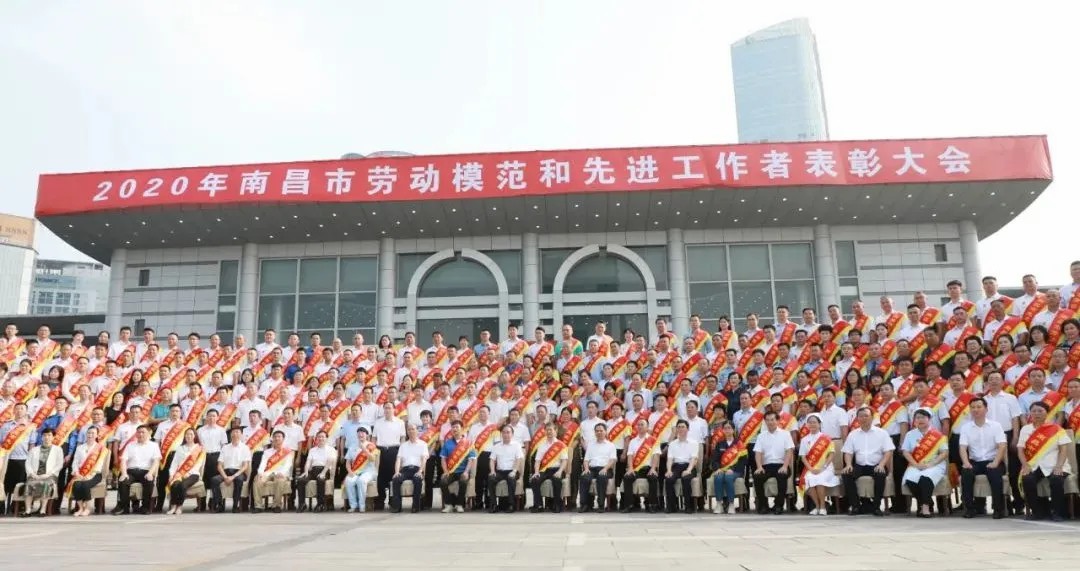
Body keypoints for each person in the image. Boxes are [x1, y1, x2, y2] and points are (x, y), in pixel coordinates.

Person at [1017, 401, 1072, 521]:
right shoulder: (1025, 429)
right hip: (1034, 465)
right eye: (1034, 411)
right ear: (1030, 413)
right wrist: (1025, 465)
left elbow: (1063, 449)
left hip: (1055, 464)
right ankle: (1037, 512)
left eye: (1040, 411)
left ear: (1047, 413)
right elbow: (1020, 450)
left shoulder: (1056, 428)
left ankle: (1058, 512)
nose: (1037, 413)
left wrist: (1059, 466)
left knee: (1056, 480)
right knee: (1027, 479)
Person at [958, 397, 1007, 519]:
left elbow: (1002, 446)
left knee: (995, 474)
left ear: (986, 409)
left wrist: (995, 462)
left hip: (993, 460)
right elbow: (962, 447)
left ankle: (998, 509)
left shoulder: (996, 426)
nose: (976, 410)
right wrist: (966, 463)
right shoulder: (965, 427)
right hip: (975, 462)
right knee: (966, 473)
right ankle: (969, 509)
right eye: (973, 407)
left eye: (979, 407)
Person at [841, 407, 895, 516]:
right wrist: (848, 464)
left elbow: (888, 451)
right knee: (846, 474)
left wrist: (881, 465)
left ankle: (876, 507)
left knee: (880, 474)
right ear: (857, 418)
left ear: (872, 417)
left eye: (866, 416)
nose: (863, 418)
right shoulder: (853, 434)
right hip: (860, 466)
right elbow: (848, 452)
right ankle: (855, 506)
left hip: (877, 465)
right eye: (861, 416)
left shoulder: (882, 433)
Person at [900, 409, 949, 518]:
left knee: (925, 478)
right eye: (917, 417)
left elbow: (944, 453)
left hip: (934, 464)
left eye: (923, 417)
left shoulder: (937, 435)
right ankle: (927, 502)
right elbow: (905, 452)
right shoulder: (910, 434)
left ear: (929, 419)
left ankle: (925, 508)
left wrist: (931, 464)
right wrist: (915, 464)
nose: (920, 420)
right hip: (916, 463)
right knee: (909, 479)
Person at [113, 425, 162, 515]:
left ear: (148, 434)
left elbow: (156, 461)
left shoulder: (154, 446)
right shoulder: (130, 445)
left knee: (149, 481)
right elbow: (123, 460)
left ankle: (145, 507)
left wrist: (150, 473)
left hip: (146, 471)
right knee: (123, 481)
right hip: (131, 471)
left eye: (143, 432)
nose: (140, 434)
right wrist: (124, 473)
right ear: (136, 434)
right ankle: (124, 507)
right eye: (139, 432)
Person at [752, 411, 795, 515]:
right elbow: (758, 453)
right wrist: (759, 467)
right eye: (767, 420)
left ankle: (778, 505)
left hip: (781, 465)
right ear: (765, 422)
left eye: (772, 420)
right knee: (757, 477)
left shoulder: (785, 434)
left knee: (782, 476)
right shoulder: (761, 436)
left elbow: (789, 451)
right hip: (766, 466)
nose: (770, 422)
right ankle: (763, 505)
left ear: (778, 421)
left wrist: (785, 466)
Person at [799, 413, 839, 516]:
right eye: (810, 422)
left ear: (820, 424)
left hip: (826, 468)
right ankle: (817, 506)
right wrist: (811, 469)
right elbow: (803, 457)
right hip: (811, 468)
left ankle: (822, 507)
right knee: (809, 478)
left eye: (814, 422)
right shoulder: (804, 439)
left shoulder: (826, 438)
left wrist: (823, 467)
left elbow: (831, 454)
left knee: (820, 479)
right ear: (807, 425)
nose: (812, 424)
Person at [21, 428, 64, 517]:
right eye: (44, 435)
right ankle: (28, 510)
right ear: (41, 437)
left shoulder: (58, 449)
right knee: (29, 484)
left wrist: (48, 474)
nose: (46, 437)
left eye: (49, 435)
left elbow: (59, 464)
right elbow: (28, 463)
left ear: (53, 437)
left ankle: (42, 510)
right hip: (34, 475)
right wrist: (32, 474)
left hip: (50, 476)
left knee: (46, 484)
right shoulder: (34, 450)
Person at [621, 418, 660, 513]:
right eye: (638, 425)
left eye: (642, 424)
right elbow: (630, 456)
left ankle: (652, 504)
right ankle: (629, 504)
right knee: (627, 478)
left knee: (653, 478)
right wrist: (630, 468)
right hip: (636, 469)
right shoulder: (633, 441)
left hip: (649, 468)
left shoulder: (653, 440)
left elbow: (656, 456)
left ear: (647, 427)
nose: (640, 426)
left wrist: (653, 468)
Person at [211, 427, 251, 513]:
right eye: (233, 432)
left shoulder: (245, 448)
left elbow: (245, 466)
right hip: (226, 472)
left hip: (239, 472)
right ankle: (220, 505)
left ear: (241, 435)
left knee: (239, 480)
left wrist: (233, 477)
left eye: (237, 432)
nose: (235, 434)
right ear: (230, 435)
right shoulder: (225, 448)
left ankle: (235, 506)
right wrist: (225, 477)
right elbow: (219, 466)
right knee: (214, 480)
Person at [578, 423, 617, 513]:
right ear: (595, 433)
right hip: (592, 469)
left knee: (602, 477)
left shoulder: (610, 445)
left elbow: (613, 460)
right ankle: (584, 505)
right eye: (597, 431)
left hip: (605, 468)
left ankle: (601, 505)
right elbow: (586, 460)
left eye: (601, 431)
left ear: (605, 432)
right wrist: (586, 469)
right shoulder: (591, 445)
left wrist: (605, 468)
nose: (599, 432)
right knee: (584, 477)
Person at [390, 424, 429, 513]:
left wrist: (420, 471)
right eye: (409, 430)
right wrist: (396, 472)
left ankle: (415, 506)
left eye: (413, 429)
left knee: (417, 479)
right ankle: (397, 507)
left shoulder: (423, 444)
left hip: (417, 469)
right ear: (407, 432)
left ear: (417, 431)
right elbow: (398, 460)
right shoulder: (403, 445)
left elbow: (424, 459)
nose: (411, 431)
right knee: (396, 479)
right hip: (405, 470)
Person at [70, 425, 107, 517]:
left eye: (93, 433)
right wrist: (76, 472)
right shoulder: (80, 448)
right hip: (81, 473)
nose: (90, 435)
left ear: (97, 435)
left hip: (95, 474)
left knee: (85, 485)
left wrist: (90, 475)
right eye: (89, 433)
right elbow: (75, 462)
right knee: (76, 484)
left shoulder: (101, 448)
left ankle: (87, 508)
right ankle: (80, 508)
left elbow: (100, 464)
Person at [253, 431, 294, 513]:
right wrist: (260, 473)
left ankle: (276, 505)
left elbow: (288, 464)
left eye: (279, 436)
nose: (277, 438)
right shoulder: (267, 452)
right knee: (257, 480)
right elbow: (263, 464)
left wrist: (282, 473)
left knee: (280, 481)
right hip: (268, 473)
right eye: (275, 437)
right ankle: (258, 506)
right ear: (272, 439)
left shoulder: (288, 452)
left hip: (281, 473)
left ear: (283, 439)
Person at [439, 420, 476, 513]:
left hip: (463, 471)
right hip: (451, 472)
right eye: (453, 427)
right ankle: (448, 505)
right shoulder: (447, 443)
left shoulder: (468, 443)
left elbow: (471, 459)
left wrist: (466, 472)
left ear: (462, 429)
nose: (454, 429)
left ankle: (459, 505)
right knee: (443, 481)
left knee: (463, 481)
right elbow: (443, 459)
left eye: (457, 427)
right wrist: (445, 471)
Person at [166, 428, 205, 515]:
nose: (189, 436)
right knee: (174, 484)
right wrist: (171, 475)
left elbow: (198, 464)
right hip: (179, 473)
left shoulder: (199, 448)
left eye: (191, 434)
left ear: (194, 436)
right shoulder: (180, 448)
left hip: (193, 474)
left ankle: (179, 506)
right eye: (187, 434)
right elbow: (174, 463)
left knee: (183, 485)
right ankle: (173, 507)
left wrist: (188, 473)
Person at [530, 423, 568, 513]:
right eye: (547, 430)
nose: (549, 432)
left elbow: (564, 461)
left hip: (557, 469)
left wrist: (560, 471)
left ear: (555, 431)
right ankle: (539, 505)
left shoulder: (561, 445)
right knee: (534, 480)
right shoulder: (541, 445)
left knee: (557, 480)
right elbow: (537, 461)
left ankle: (557, 505)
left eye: (551, 430)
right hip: (545, 470)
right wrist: (536, 472)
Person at [487, 424, 525, 513]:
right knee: (491, 478)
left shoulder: (517, 445)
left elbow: (519, 459)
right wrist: (492, 471)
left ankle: (511, 505)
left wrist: (514, 471)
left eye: (508, 432)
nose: (506, 434)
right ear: (501, 434)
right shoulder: (496, 446)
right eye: (503, 432)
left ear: (512, 434)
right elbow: (492, 460)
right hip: (500, 471)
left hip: (512, 470)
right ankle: (493, 505)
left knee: (511, 478)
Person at [297, 431, 336, 512]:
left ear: (326, 438)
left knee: (320, 480)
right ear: (316, 439)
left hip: (325, 470)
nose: (321, 438)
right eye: (319, 437)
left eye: (323, 437)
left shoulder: (331, 449)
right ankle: (302, 504)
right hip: (313, 470)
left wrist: (323, 473)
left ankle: (320, 504)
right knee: (301, 480)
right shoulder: (312, 450)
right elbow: (308, 461)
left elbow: (329, 462)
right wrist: (306, 471)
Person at [343, 427, 379, 513]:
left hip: (369, 471)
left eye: (363, 433)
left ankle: (362, 506)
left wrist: (364, 449)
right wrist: (350, 471)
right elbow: (348, 462)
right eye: (359, 433)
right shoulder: (352, 446)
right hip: (355, 471)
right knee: (349, 481)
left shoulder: (371, 446)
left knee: (361, 481)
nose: (360, 434)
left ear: (367, 435)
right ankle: (353, 506)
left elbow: (372, 459)